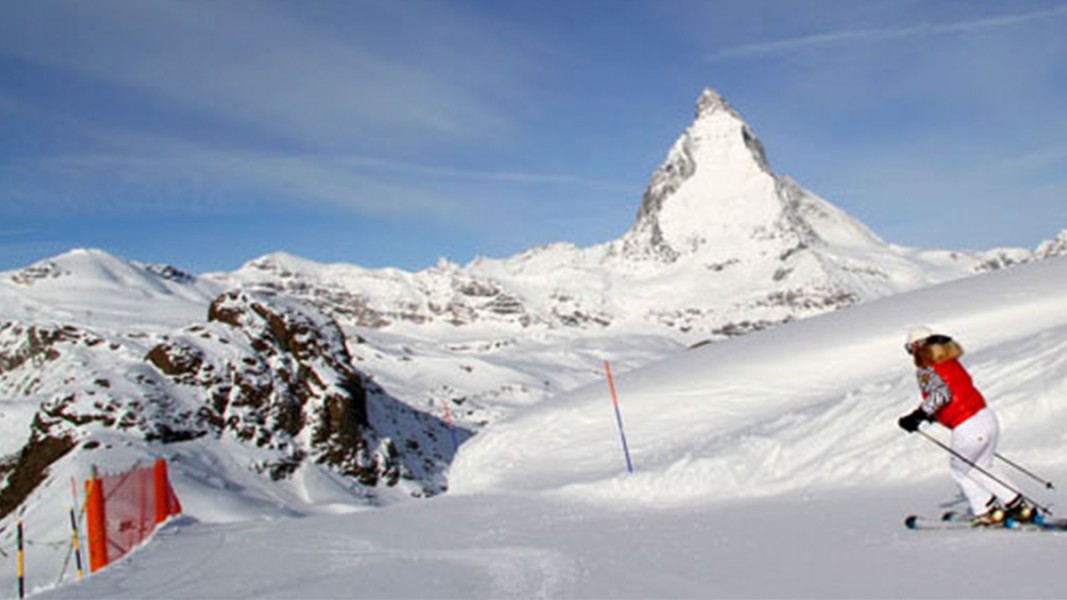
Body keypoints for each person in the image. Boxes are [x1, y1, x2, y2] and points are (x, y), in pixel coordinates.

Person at [897, 326, 1034, 526]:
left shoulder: (927, 368)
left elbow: (941, 395)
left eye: (910, 349)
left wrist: (917, 416)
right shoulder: (950, 362)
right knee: (983, 466)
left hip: (968, 425)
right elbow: (956, 394)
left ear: (917, 346)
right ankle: (1018, 505)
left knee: (962, 470)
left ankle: (986, 510)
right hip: (986, 418)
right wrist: (936, 416)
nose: (912, 355)